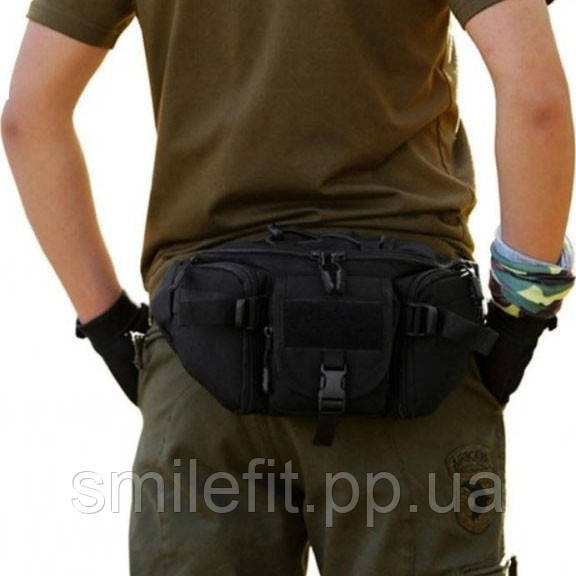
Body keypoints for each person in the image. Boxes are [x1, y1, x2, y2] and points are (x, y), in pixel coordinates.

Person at [2, 0, 574, 574]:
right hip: (412, 351)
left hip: (203, 354)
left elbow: (29, 117)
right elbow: (538, 102)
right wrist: (520, 320)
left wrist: (113, 331)